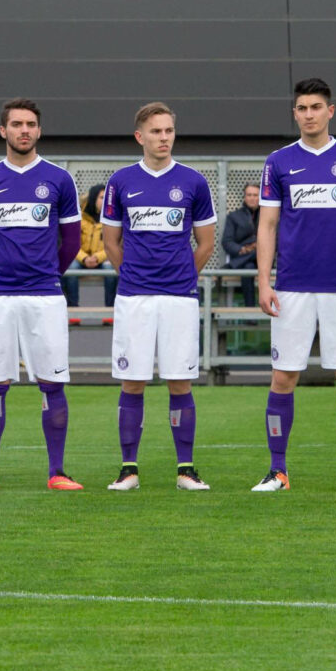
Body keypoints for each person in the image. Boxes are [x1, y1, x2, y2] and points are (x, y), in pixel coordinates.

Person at [253, 77, 336, 493]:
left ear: (331, 111)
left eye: (316, 107)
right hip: (292, 286)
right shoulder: (278, 161)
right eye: (302, 108)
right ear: (294, 113)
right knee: (283, 378)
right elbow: (267, 224)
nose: (309, 114)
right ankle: (277, 471)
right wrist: (264, 281)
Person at [0, 98, 83, 491]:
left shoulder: (59, 180)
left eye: (30, 124)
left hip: (45, 296)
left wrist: (45, 273)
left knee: (52, 382)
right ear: (3, 130)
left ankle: (57, 472)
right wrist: (5, 270)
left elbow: (71, 242)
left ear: (39, 130)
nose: (24, 130)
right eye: (16, 124)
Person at [102, 102, 217, 491]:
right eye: (156, 131)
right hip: (134, 297)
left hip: (179, 297)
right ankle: (128, 470)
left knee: (180, 382)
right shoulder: (121, 181)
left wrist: (182, 276)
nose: (164, 138)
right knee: (132, 382)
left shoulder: (193, 182)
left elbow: (206, 243)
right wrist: (134, 275)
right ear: (140, 136)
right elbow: (111, 242)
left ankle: (186, 470)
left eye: (169, 130)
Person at [65, 185, 116, 308]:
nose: (105, 201)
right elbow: (71, 243)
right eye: (101, 198)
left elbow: (114, 244)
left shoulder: (112, 218)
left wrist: (98, 257)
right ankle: (73, 308)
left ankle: (110, 310)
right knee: (70, 269)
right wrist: (84, 258)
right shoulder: (79, 217)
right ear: (93, 198)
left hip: (103, 259)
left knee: (110, 269)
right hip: (81, 258)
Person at [220, 182, 261, 305]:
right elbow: (227, 242)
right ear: (244, 197)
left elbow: (275, 240)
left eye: (255, 195)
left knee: (259, 250)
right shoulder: (234, 216)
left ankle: (231, 266)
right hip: (244, 259)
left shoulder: (268, 216)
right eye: (249, 195)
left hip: (264, 259)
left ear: (260, 197)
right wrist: (243, 249)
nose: (252, 198)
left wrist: (256, 247)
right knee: (248, 267)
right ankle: (250, 310)